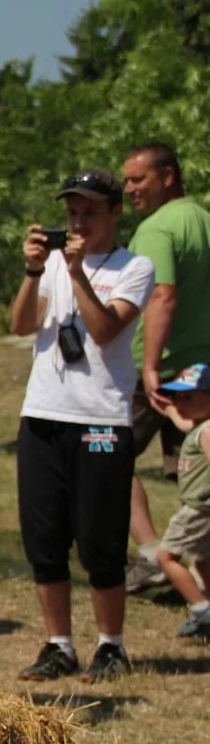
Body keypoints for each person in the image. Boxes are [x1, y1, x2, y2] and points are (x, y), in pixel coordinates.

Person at [10, 171, 156, 683]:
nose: (78, 221)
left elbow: (106, 328)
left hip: (100, 420)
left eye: (90, 211)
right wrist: (33, 272)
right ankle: (59, 645)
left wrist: (77, 275)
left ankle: (111, 645)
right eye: (72, 212)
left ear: (116, 213)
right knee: (44, 538)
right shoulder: (50, 264)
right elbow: (22, 326)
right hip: (43, 415)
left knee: (99, 540)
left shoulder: (135, 267)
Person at [120, 144, 210, 593]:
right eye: (128, 181)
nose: (130, 189)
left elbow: (163, 295)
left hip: (160, 367)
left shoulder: (158, 228)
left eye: (139, 179)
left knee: (111, 454)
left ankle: (153, 554)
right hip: (202, 367)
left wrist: (150, 365)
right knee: (197, 471)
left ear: (168, 176)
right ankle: (194, 571)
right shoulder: (203, 220)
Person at [152, 365, 210, 640]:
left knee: (166, 557)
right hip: (201, 510)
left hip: (197, 510)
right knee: (201, 561)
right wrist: (169, 408)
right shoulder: (199, 426)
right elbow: (183, 423)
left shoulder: (208, 431)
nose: (179, 403)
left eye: (188, 398)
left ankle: (201, 610)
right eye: (177, 397)